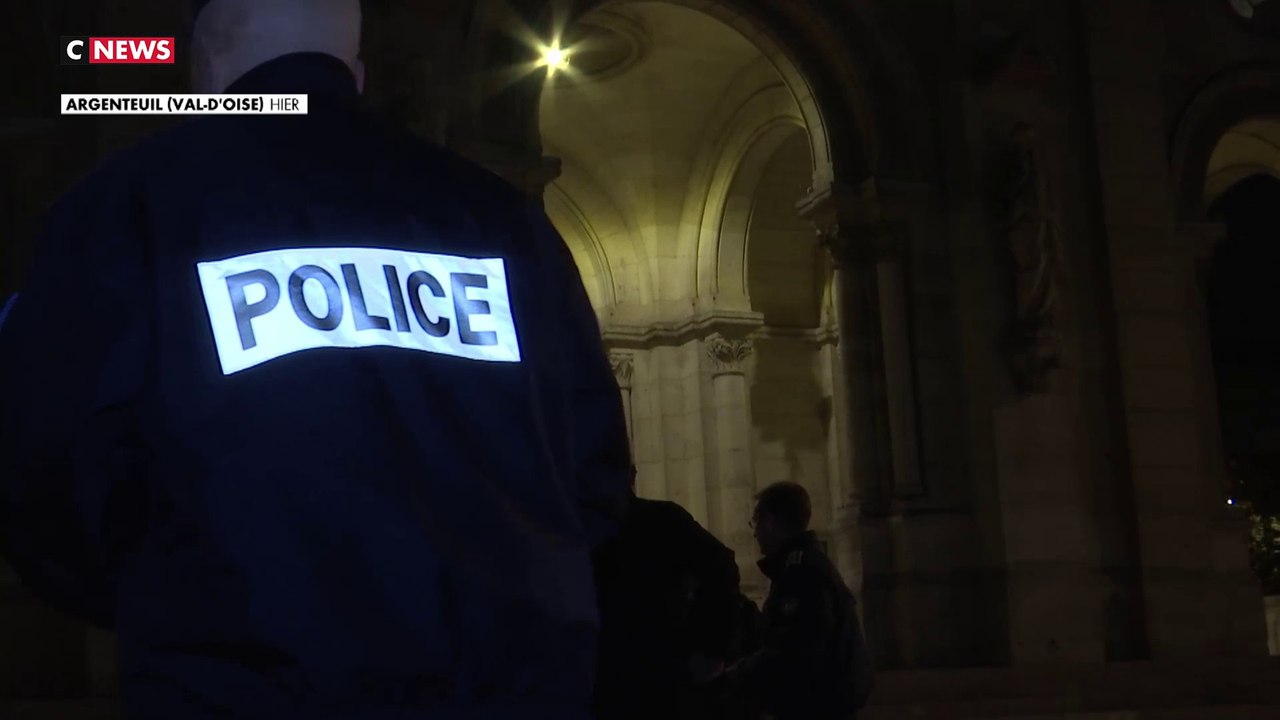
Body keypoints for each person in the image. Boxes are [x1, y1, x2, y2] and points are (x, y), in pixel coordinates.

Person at [0, 1, 632, 718]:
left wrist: (160, 596)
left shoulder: (127, 205)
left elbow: (42, 457)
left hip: (241, 684)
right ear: (356, 71)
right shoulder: (507, 221)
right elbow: (595, 476)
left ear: (204, 73)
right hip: (513, 685)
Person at [712, 482, 873, 720]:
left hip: (817, 707)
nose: (755, 532)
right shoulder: (801, 567)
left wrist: (738, 674)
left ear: (774, 522)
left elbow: (795, 648)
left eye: (757, 521)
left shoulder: (802, 573)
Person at [592, 468, 742, 720]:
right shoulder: (586, 528)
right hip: (617, 675)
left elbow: (720, 567)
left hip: (656, 673)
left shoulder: (661, 520)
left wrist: (711, 648)